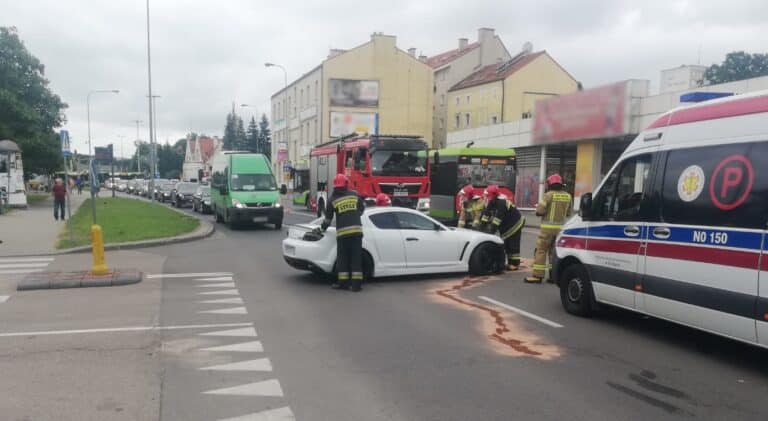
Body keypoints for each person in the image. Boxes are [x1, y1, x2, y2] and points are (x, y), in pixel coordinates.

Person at [320, 174, 366, 292]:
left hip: (343, 234)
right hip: (356, 232)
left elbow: (327, 220)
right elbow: (361, 209)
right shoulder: (355, 195)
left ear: (335, 185)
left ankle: (343, 283)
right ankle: (356, 286)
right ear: (346, 183)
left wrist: (322, 229)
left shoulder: (332, 199)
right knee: (356, 258)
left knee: (343, 259)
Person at [525, 174, 572, 284]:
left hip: (547, 230)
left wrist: (538, 211)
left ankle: (537, 275)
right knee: (553, 253)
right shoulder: (568, 196)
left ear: (550, 184)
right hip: (560, 230)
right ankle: (552, 276)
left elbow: (540, 211)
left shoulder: (548, 195)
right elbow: (569, 213)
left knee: (541, 251)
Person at [479, 184, 525, 271]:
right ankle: (510, 263)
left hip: (515, 223)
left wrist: (490, 233)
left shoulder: (501, 203)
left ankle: (514, 264)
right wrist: (480, 228)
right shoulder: (492, 202)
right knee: (507, 243)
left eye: (488, 195)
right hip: (507, 224)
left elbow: (497, 220)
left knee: (513, 243)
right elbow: (486, 215)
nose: (487, 197)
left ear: (493, 195)